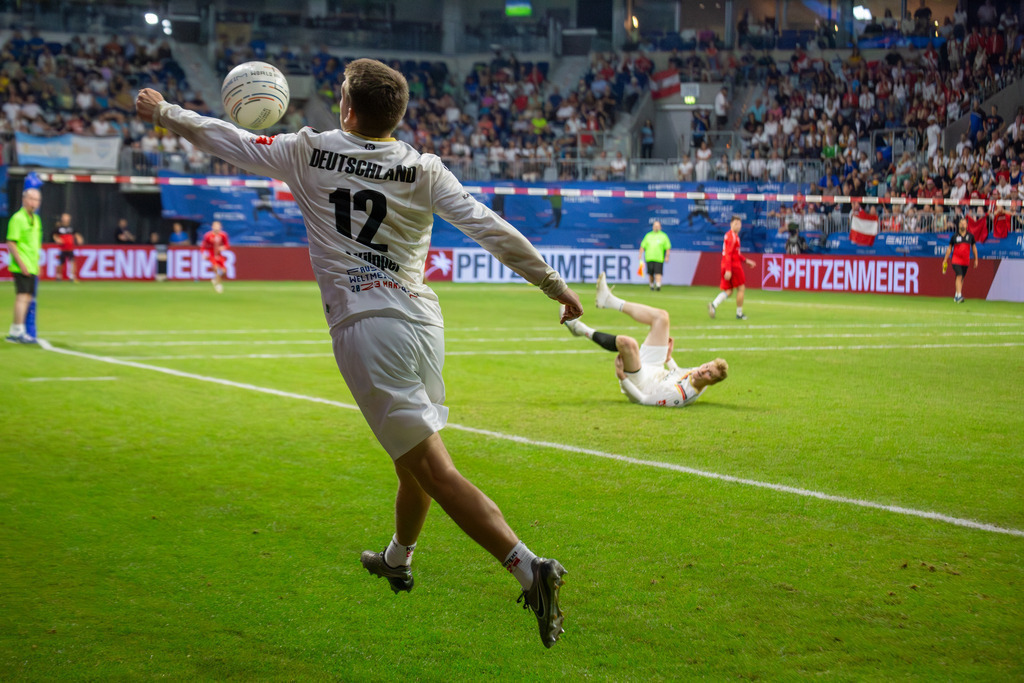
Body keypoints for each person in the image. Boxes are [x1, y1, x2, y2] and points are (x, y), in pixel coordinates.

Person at [136, 58, 583, 649]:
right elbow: (487, 225)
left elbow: (227, 139)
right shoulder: (424, 168)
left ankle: (529, 566)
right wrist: (553, 283)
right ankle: (398, 559)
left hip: (367, 329)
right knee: (412, 458)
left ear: (347, 108)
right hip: (423, 324)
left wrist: (164, 112)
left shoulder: (307, 151)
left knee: (434, 469)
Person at [562, 273, 728, 406]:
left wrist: (622, 377)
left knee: (628, 343)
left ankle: (579, 329)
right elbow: (680, 374)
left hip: (642, 382)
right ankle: (608, 300)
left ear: (711, 382)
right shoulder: (699, 375)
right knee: (662, 317)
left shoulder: (679, 397)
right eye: (707, 366)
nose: (703, 370)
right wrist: (669, 359)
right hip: (657, 368)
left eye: (708, 373)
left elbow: (642, 400)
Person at [5, 188, 42, 343]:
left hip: (32, 264)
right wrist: (21, 263)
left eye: (37, 199)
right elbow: (11, 242)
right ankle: (19, 330)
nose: (34, 202)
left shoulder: (36, 219)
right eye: (31, 198)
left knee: (27, 297)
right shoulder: (18, 218)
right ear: (24, 199)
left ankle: (15, 330)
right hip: (22, 264)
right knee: (22, 296)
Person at [708, 215, 756, 320]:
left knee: (729, 291)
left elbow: (735, 254)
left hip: (726, 264)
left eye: (739, 223)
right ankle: (739, 314)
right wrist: (729, 270)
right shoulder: (732, 237)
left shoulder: (731, 236)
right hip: (733, 266)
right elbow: (729, 254)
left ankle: (714, 305)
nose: (738, 225)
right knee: (741, 288)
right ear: (730, 224)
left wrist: (746, 261)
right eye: (735, 223)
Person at [942, 216, 979, 303]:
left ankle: (956, 295)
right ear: (958, 225)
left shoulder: (970, 236)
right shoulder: (954, 237)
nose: (962, 224)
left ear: (966, 225)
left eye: (964, 223)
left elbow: (974, 248)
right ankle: (959, 295)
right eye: (961, 223)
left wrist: (976, 259)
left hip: (966, 261)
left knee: (961, 278)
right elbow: (949, 249)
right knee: (959, 275)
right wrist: (945, 259)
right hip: (956, 260)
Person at [639, 220, 671, 291]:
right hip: (649, 257)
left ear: (660, 227)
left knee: (658, 272)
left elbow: (667, 247)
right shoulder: (648, 235)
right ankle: (651, 285)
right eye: (655, 226)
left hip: (659, 258)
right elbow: (642, 246)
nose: (656, 227)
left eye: (657, 226)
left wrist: (667, 256)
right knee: (651, 273)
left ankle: (658, 285)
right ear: (653, 227)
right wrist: (640, 254)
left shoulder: (663, 236)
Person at [199, 220, 229, 293]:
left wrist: (223, 247)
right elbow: (203, 245)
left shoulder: (223, 235)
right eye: (215, 226)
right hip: (212, 255)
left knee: (224, 271)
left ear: (221, 227)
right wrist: (203, 254)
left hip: (219, 255)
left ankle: (216, 279)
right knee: (215, 268)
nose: (216, 228)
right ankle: (218, 285)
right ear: (212, 227)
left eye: (218, 226)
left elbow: (227, 245)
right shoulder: (208, 235)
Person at [52, 212, 83, 282]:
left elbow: (76, 234)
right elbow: (54, 235)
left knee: (72, 262)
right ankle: (58, 276)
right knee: (60, 262)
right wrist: (57, 239)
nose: (66, 219)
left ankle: (72, 276)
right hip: (62, 249)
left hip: (70, 248)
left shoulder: (72, 228)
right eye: (64, 217)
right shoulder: (58, 228)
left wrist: (79, 238)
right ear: (62, 218)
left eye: (67, 217)